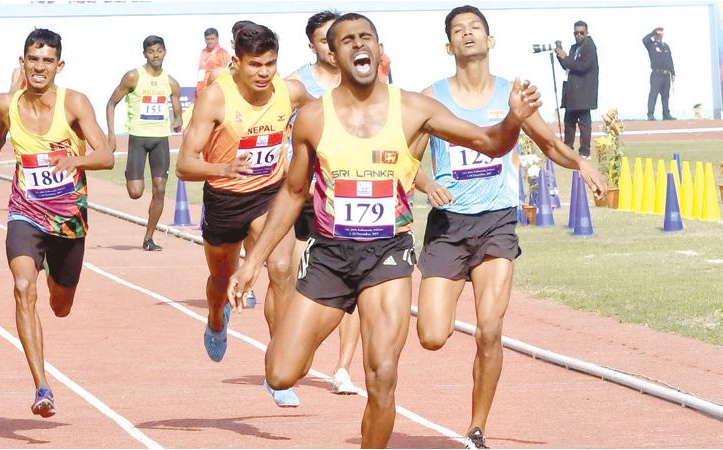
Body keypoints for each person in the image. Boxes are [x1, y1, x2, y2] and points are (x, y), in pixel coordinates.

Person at [227, 13, 541, 448]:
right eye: (348, 40)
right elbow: (293, 192)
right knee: (281, 371)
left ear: (378, 48)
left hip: (386, 256)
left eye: (367, 38)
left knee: (383, 375)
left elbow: (489, 142)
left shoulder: (413, 107)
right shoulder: (313, 118)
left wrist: (512, 120)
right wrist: (251, 263)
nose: (360, 45)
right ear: (334, 56)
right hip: (331, 256)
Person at [413, 6, 606, 448]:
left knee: (490, 329)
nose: (467, 35)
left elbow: (549, 143)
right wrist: (426, 183)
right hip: (448, 223)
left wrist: (581, 163)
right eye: (458, 31)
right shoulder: (430, 96)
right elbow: (405, 156)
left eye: (474, 29)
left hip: (497, 222)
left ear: (489, 40)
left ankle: (477, 429)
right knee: (431, 336)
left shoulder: (511, 95)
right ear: (448, 46)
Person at [0, 28, 114, 418]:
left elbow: (106, 155)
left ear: (59, 65)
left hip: (68, 221)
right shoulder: (6, 105)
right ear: (22, 62)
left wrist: (74, 161)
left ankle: (58, 282)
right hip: (24, 211)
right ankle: (42, 387)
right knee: (23, 286)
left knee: (60, 305)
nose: (39, 67)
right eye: (33, 59)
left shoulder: (74, 103)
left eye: (47, 60)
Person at [176, 23, 312, 407]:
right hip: (224, 199)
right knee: (221, 280)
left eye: (270, 63)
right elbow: (185, 165)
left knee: (283, 268)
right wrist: (223, 169)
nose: (264, 72)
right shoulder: (216, 99)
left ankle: (279, 366)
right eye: (255, 65)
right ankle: (217, 319)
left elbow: (329, 115)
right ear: (236, 62)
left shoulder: (291, 91)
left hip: (270, 194)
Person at [286, 10, 360, 396]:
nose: (335, 46)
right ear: (314, 45)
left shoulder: (366, 79)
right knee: (300, 277)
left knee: (359, 284)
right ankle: (300, 347)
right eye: (325, 39)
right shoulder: (296, 84)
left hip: (354, 195)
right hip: (308, 196)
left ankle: (344, 367)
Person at [106, 35, 182, 251]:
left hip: (160, 140)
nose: (155, 55)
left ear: (165, 52)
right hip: (138, 139)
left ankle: (148, 238)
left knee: (160, 188)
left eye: (159, 50)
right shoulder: (133, 77)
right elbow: (111, 103)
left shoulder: (171, 82)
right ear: (145, 54)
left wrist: (178, 120)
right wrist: (111, 134)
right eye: (151, 51)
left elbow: (177, 111)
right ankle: (131, 174)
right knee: (136, 192)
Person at [555, 20, 598, 159]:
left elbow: (581, 66)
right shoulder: (574, 48)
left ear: (587, 33)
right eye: (576, 33)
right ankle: (567, 149)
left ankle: (585, 152)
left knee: (584, 123)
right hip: (572, 91)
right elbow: (569, 66)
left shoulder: (590, 47)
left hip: (584, 92)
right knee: (569, 121)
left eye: (581, 33)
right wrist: (560, 55)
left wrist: (565, 58)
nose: (578, 35)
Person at [643, 27, 676, 120]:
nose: (661, 34)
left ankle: (666, 114)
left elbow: (670, 60)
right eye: (659, 32)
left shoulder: (665, 46)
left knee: (666, 96)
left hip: (666, 75)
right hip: (656, 74)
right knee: (653, 95)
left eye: (662, 32)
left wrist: (673, 72)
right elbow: (644, 40)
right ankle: (650, 114)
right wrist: (653, 32)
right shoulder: (652, 45)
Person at [196, 27, 231, 95]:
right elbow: (201, 71)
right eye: (207, 39)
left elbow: (227, 73)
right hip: (201, 89)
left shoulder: (222, 53)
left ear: (217, 39)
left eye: (212, 39)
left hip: (215, 89)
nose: (210, 41)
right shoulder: (203, 52)